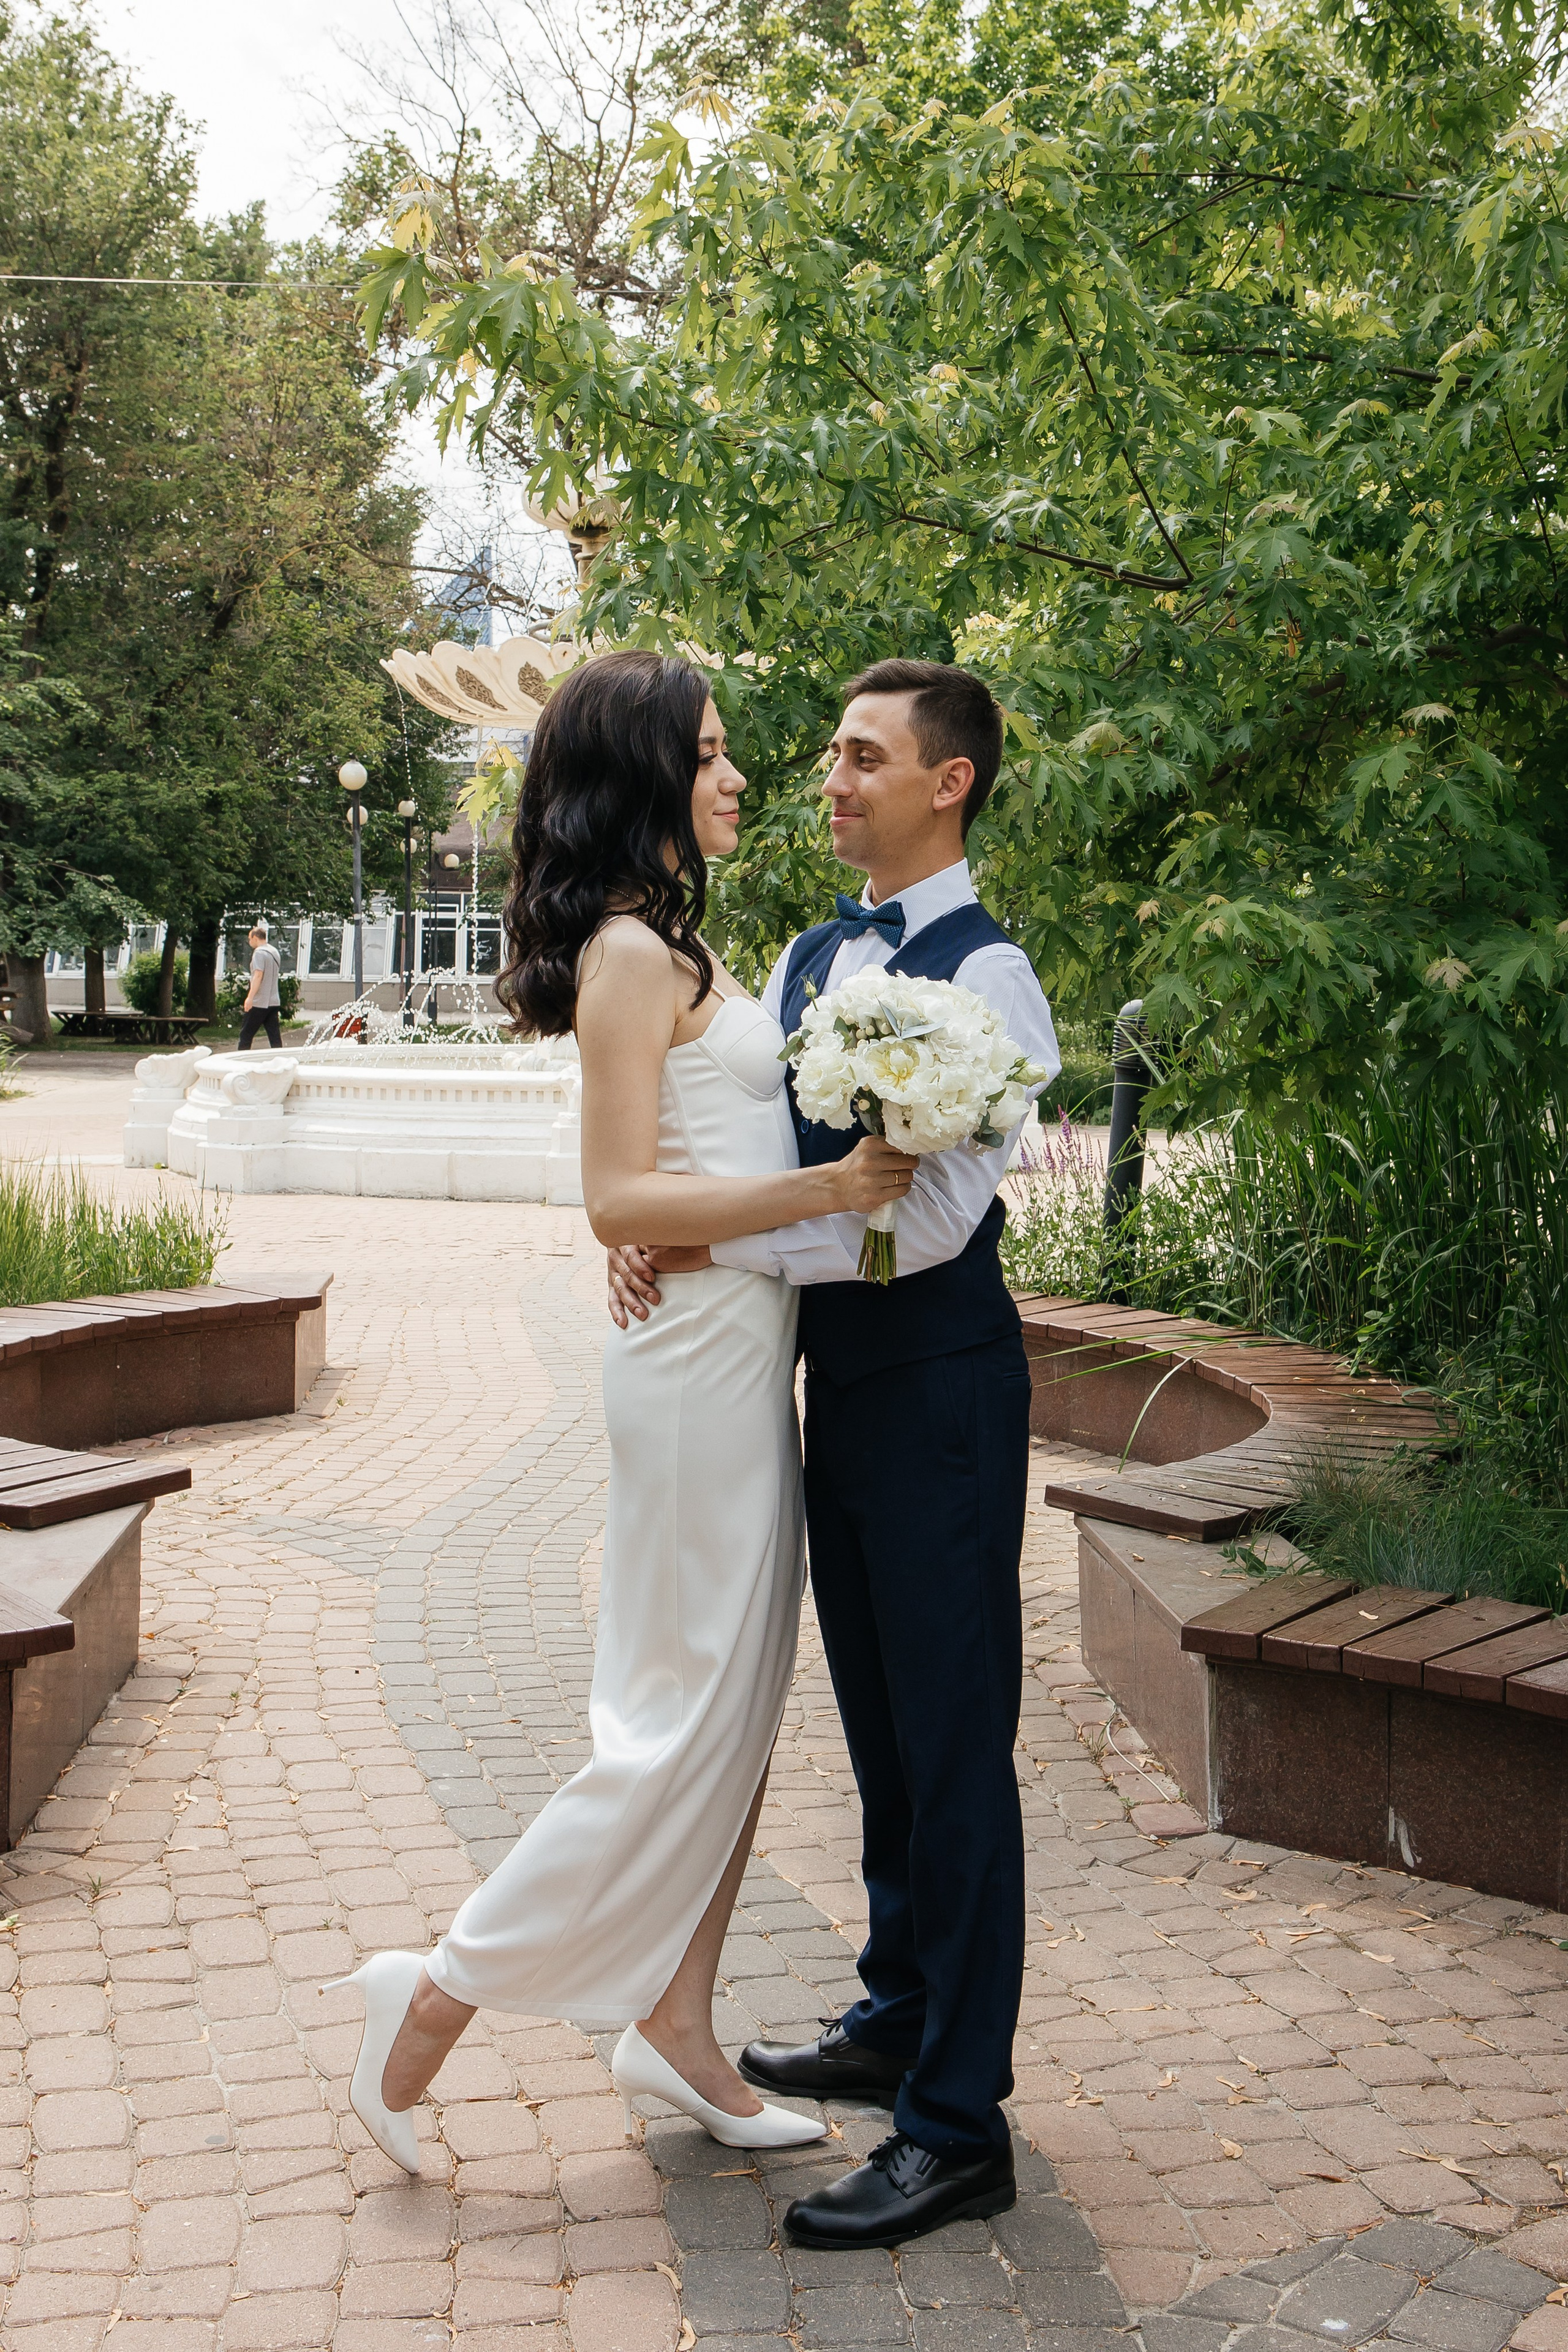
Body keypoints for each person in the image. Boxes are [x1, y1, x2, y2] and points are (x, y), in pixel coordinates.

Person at [325, 649, 916, 2171]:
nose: (734, 777)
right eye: (709, 754)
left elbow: (670, 1195)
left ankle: (677, 2026)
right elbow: (615, 1198)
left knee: (724, 1717)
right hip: (692, 1385)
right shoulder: (627, 954)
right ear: (645, 775)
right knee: (664, 1729)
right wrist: (825, 1192)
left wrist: (722, 1225)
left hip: (732, 1347)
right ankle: (437, 1994)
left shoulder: (682, 949)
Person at [608, 658, 1060, 2251]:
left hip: (938, 1384)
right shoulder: (807, 956)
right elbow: (738, 1152)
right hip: (829, 1389)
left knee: (953, 1748)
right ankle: (896, 2010)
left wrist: (724, 1260)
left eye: (866, 757)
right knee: (879, 1727)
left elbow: (928, 1221)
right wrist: (660, 1230)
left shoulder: (993, 983)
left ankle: (959, 2122)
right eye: (830, 753)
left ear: (951, 782)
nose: (831, 777)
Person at [236, 922, 282, 1049]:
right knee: (274, 1037)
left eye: (250, 939)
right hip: (274, 1001)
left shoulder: (259, 953)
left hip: (259, 1002)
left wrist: (250, 998)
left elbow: (258, 975)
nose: (249, 941)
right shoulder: (274, 952)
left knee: (246, 1035)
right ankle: (281, 1061)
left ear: (255, 938)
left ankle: (240, 1061)